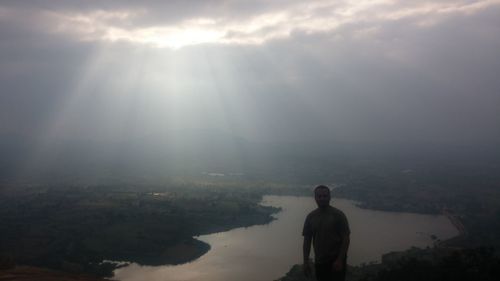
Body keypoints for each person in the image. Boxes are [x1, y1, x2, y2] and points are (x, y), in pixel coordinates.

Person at [302, 185, 350, 281]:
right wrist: (305, 262)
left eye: (325, 196)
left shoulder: (338, 215)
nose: (322, 198)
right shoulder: (311, 217)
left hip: (335, 261)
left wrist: (340, 260)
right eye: (319, 196)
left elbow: (346, 238)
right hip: (320, 261)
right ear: (315, 198)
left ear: (329, 197)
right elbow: (307, 240)